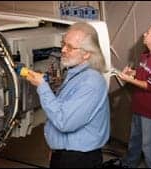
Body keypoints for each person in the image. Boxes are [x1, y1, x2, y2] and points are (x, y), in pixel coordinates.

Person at [25, 22, 110, 168]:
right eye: (63, 44)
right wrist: (57, 148)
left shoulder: (91, 82)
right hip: (66, 153)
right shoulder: (76, 74)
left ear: (87, 53)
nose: (63, 49)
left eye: (70, 47)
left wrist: (42, 87)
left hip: (79, 159)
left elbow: (64, 121)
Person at [119, 23, 151, 168]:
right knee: (134, 142)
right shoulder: (145, 55)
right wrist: (133, 73)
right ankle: (129, 164)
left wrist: (130, 80)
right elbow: (144, 75)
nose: (144, 34)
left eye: (148, 32)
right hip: (139, 109)